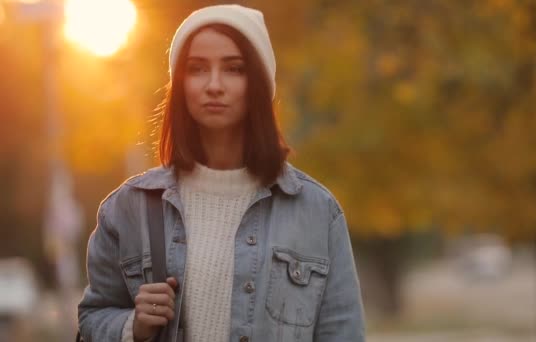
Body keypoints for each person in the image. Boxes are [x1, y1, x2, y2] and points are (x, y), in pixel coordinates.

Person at [77, 4, 365, 342]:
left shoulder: (316, 211)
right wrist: (132, 328)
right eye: (197, 69)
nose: (214, 85)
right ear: (180, 85)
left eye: (234, 69)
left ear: (258, 82)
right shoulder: (128, 209)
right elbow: (92, 319)